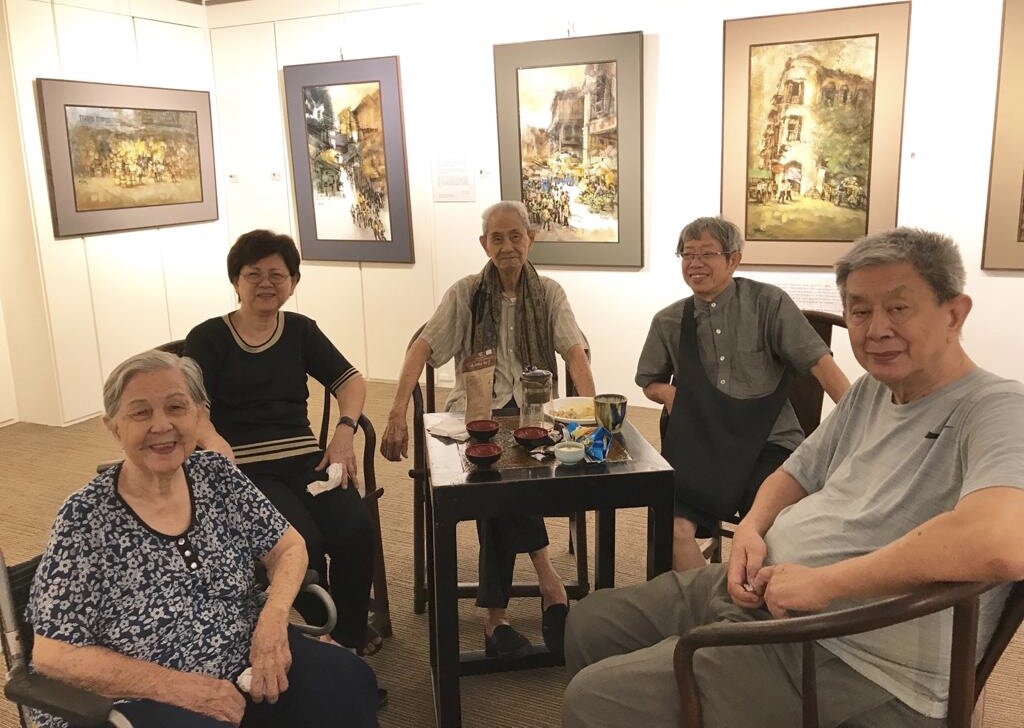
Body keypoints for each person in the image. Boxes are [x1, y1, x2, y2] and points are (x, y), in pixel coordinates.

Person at [563, 228, 1024, 727]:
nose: (875, 330)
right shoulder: (872, 391)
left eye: (898, 308)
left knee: (595, 700)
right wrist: (752, 530)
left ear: (954, 313)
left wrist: (823, 585)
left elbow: (1001, 541)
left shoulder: (998, 408)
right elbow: (796, 471)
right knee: (588, 624)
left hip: (850, 651)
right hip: (765, 590)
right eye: (860, 311)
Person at [27, 350, 379, 728]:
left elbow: (290, 547)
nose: (162, 425)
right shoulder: (85, 517)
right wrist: (182, 688)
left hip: (246, 657)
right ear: (114, 427)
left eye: (176, 407)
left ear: (198, 416)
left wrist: (272, 624)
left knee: (349, 681)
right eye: (141, 412)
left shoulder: (215, 475)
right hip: (141, 695)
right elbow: (52, 655)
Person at [380, 200, 596, 658]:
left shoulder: (550, 293)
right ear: (484, 244)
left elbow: (575, 352)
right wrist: (396, 411)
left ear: (530, 239)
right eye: (496, 238)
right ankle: (549, 583)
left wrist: (593, 414)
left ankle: (495, 620)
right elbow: (422, 348)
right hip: (475, 413)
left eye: (515, 235)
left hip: (535, 413)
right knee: (495, 473)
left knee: (497, 482)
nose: (507, 246)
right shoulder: (465, 293)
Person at [182, 230, 381, 658]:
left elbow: (351, 381)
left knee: (355, 527)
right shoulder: (208, 337)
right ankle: (322, 632)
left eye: (278, 274)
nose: (266, 283)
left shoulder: (300, 331)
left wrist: (344, 430)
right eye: (253, 274)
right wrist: (213, 440)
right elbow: (188, 403)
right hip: (242, 468)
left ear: (293, 282)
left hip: (305, 460)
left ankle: (345, 637)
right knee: (301, 541)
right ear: (236, 281)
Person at [636, 216, 849, 571]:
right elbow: (649, 381)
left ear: (733, 259)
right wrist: (672, 396)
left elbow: (821, 366)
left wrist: (861, 421)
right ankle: (714, 613)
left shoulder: (769, 304)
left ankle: (755, 614)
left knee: (771, 531)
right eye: (688, 255)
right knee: (672, 531)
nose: (695, 263)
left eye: (707, 253)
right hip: (702, 446)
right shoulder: (668, 321)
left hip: (769, 443)